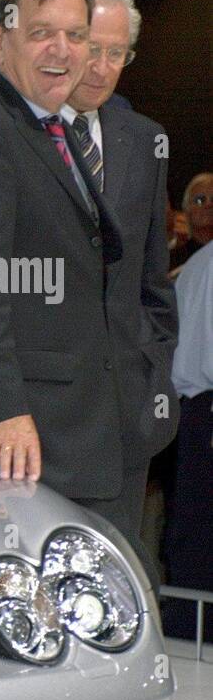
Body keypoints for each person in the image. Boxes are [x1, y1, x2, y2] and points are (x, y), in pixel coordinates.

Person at [0, 0, 179, 565]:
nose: (64, 52)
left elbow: (132, 280)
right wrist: (4, 409)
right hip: (29, 443)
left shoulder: (51, 128)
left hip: (99, 430)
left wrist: (150, 372)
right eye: (42, 33)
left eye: (76, 35)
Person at [162, 236, 213, 632]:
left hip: (190, 415)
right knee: (198, 548)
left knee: (191, 544)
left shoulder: (197, 263)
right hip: (202, 409)